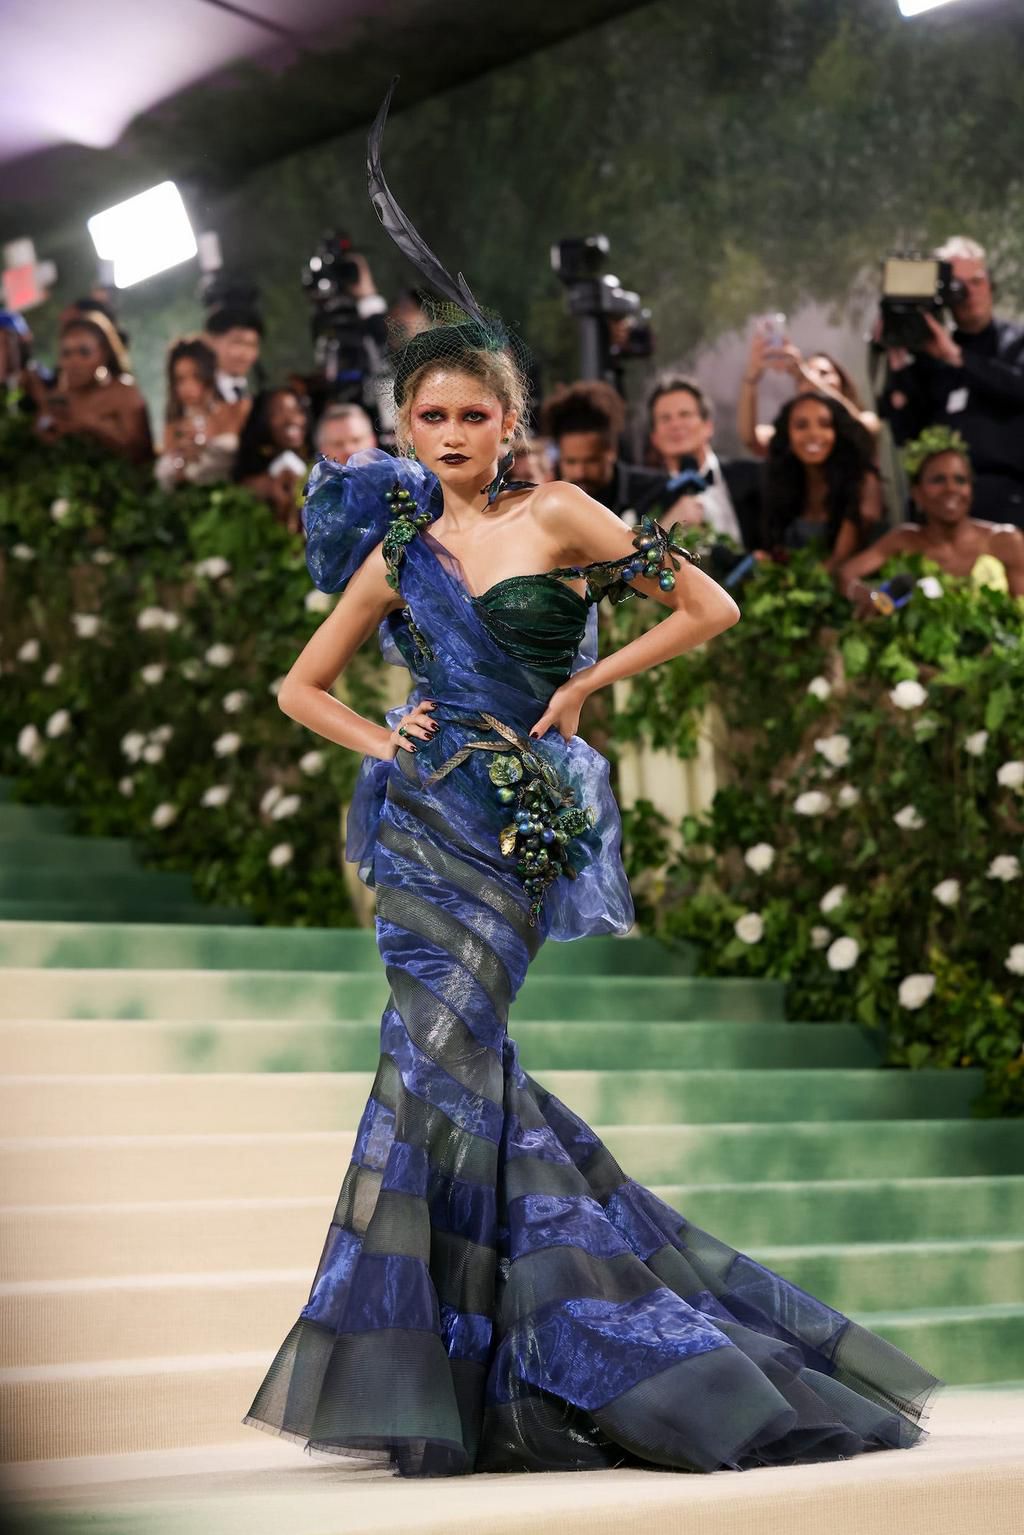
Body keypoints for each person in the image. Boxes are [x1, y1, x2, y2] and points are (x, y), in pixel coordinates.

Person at [241, 83, 939, 1479]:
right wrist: (387, 739)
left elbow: (707, 604)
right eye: (428, 414)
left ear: (509, 423)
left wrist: (579, 687)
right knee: (434, 1065)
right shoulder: (396, 545)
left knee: (450, 1062)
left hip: (513, 825)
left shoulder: (562, 510)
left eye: (470, 414)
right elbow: (298, 685)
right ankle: (485, 1361)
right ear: (408, 423)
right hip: (418, 827)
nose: (448, 433)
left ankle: (547, 1354)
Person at [878, 236, 1024, 527]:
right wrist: (898, 361)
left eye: (977, 282)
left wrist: (958, 358)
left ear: (991, 286)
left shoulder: (1016, 342)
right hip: (941, 513)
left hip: (1008, 503)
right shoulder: (929, 358)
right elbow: (904, 433)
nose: (970, 294)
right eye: (958, 287)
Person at [839, 427, 1024, 607]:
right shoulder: (904, 540)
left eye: (960, 480)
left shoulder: (1005, 541)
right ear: (916, 493)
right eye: (938, 480)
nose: (951, 488)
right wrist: (877, 600)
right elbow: (846, 575)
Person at [763, 390, 882, 570]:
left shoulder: (863, 481)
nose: (813, 434)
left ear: (838, 432)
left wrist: (789, 580)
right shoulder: (783, 482)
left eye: (825, 424)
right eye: (801, 425)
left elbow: (839, 561)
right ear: (787, 435)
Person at [647, 374, 763, 548]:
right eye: (665, 419)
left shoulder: (754, 476)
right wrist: (665, 527)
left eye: (685, 414)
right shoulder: (645, 497)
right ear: (654, 437)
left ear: (708, 426)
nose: (676, 425)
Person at [540, 378, 668, 522]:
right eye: (571, 462)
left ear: (612, 451)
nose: (580, 472)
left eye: (591, 461)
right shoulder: (548, 500)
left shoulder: (654, 491)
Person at [31, 312, 151, 465]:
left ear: (104, 353)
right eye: (66, 353)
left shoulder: (125, 392)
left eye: (84, 352)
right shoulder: (59, 398)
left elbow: (140, 452)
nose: (74, 361)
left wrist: (91, 425)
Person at [739, 330, 879, 458]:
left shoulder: (867, 419)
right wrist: (751, 377)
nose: (814, 380)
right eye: (809, 374)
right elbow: (751, 441)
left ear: (841, 380)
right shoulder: (792, 433)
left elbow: (861, 431)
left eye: (823, 373)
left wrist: (804, 375)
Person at [155, 336, 249, 490]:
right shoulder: (175, 426)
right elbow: (170, 480)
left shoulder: (237, 410)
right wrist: (184, 460)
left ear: (209, 375)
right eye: (180, 379)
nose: (187, 387)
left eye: (196, 376)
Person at [233, 386, 310, 533]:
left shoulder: (319, 461)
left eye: (296, 410)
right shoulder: (250, 481)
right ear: (262, 421)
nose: (291, 419)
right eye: (278, 412)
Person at [205, 304, 263, 404]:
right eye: (237, 342)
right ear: (211, 341)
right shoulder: (198, 394)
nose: (245, 354)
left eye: (253, 345)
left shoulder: (248, 394)